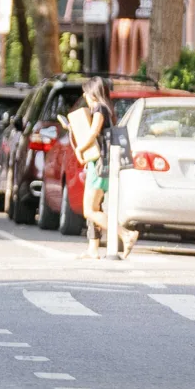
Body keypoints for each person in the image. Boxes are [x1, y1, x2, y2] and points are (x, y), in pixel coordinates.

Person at [74, 76, 139, 260]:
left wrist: (80, 148)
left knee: (90, 210)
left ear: (92, 93)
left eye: (86, 93)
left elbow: (94, 131)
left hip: (100, 163)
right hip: (102, 162)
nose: (85, 97)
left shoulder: (99, 108)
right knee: (95, 208)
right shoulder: (107, 108)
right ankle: (93, 249)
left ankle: (125, 234)